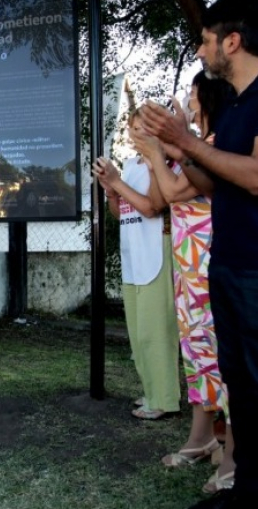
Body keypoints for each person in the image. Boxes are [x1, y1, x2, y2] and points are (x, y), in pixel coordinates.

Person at [140, 0, 258, 509]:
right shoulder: (232, 107)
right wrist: (171, 149)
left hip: (256, 271)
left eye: (206, 40)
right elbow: (212, 184)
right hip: (227, 265)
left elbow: (254, 177)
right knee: (240, 387)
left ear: (232, 41)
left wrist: (185, 144)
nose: (200, 50)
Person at [133, 71, 235, 494]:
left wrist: (158, 151)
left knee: (222, 357)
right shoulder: (193, 148)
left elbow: (175, 193)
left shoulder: (217, 149)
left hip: (213, 266)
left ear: (207, 99)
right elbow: (162, 194)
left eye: (192, 98)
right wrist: (160, 153)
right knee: (196, 353)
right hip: (187, 270)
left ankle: (232, 458)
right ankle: (202, 437)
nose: (188, 105)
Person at [92, 107, 181, 420]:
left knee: (158, 331)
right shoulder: (130, 165)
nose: (135, 133)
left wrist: (117, 183)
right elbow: (123, 212)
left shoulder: (166, 165)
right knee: (140, 333)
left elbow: (152, 208)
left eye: (143, 127)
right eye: (132, 128)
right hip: (134, 256)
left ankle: (166, 399)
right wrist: (111, 191)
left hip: (156, 252)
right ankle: (152, 391)